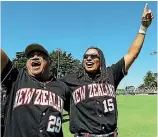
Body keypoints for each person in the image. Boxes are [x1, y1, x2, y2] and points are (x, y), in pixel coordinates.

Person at [60, 3, 154, 137]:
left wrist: (143, 27)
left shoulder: (110, 74)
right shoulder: (71, 79)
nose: (88, 59)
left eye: (93, 56)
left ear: (101, 60)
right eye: (85, 56)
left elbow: (132, 54)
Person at [1, 43, 70, 137]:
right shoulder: (16, 78)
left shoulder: (62, 87)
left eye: (40, 55)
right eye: (30, 56)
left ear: (50, 61)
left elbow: (77, 109)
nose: (35, 57)